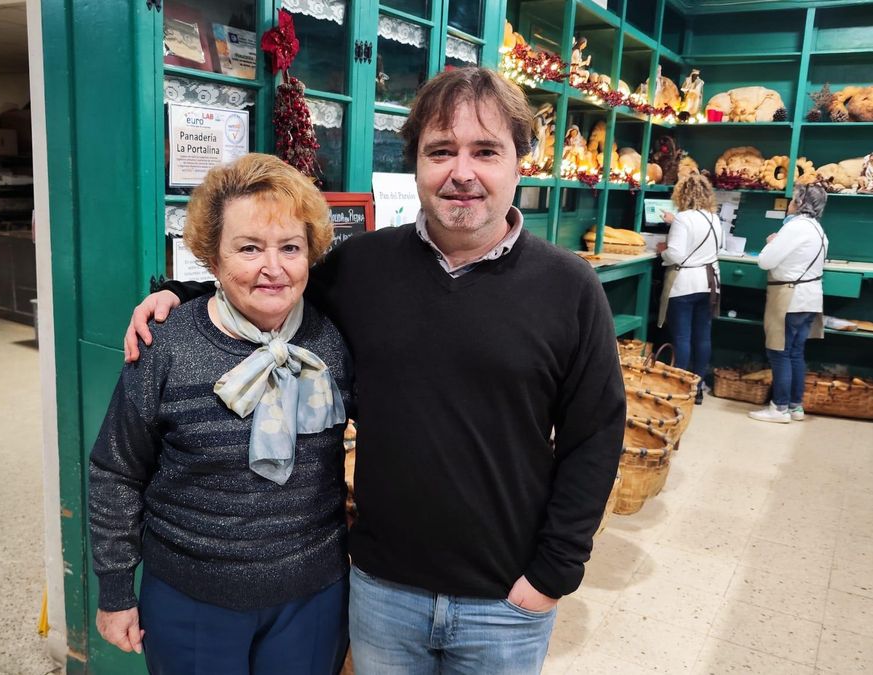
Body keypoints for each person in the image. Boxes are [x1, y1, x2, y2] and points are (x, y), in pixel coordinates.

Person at [123, 67, 625, 674]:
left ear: (521, 159)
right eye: (441, 151)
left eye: (485, 151)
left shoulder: (570, 287)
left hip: (505, 599)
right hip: (383, 591)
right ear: (414, 163)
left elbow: (595, 437)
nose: (461, 172)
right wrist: (179, 295)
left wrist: (552, 574)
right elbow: (273, 282)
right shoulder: (361, 268)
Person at [89, 153, 352, 674]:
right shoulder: (164, 343)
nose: (272, 267)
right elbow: (116, 471)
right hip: (190, 595)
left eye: (290, 248)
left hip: (312, 593)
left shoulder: (333, 340)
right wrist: (116, 589)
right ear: (212, 257)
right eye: (249, 248)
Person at [749, 182, 830, 424]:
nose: (790, 204)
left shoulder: (795, 228)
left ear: (800, 203)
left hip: (789, 297)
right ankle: (796, 407)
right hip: (810, 298)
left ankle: (779, 407)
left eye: (793, 200)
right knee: (795, 353)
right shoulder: (817, 229)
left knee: (779, 352)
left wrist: (771, 242)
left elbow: (765, 262)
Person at [657, 173, 722, 404]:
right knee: (703, 336)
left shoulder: (683, 219)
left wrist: (661, 252)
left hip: (684, 284)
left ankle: (680, 387)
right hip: (710, 284)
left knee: (682, 337)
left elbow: (676, 253)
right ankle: (698, 387)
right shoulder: (714, 218)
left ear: (681, 194)